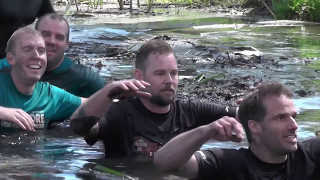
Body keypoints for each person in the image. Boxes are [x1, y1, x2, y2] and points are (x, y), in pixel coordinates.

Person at [70, 39, 239, 158]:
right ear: (139, 76)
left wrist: (260, 96)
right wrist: (107, 92)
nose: (169, 80)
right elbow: (79, 128)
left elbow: (247, 113)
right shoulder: (119, 113)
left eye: (173, 73)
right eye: (160, 73)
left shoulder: (190, 111)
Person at [154, 82, 320, 180]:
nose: (294, 125)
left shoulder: (311, 153)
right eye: (280, 118)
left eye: (294, 116)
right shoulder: (228, 164)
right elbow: (164, 162)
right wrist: (204, 132)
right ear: (255, 127)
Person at [0, 26, 150, 133]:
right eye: (28, 49)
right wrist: (3, 113)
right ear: (11, 59)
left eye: (41, 51)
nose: (36, 56)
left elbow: (90, 106)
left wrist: (117, 93)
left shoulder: (52, 96)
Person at [0, 13, 105, 97]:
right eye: (45, 34)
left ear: (66, 43)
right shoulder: (7, 67)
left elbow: (113, 102)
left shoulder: (82, 77)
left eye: (59, 37)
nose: (51, 41)